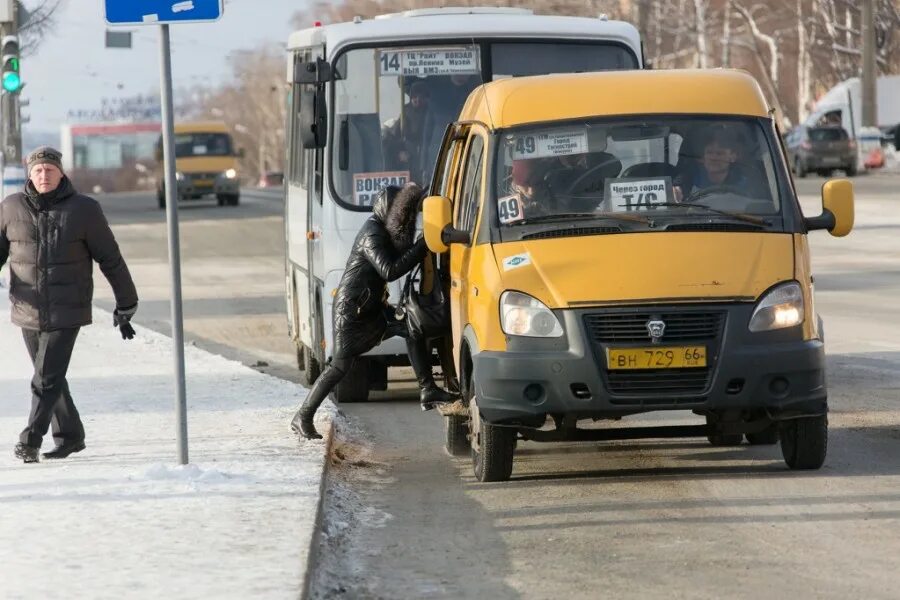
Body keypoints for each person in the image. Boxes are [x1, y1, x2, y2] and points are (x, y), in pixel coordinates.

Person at [0, 146, 138, 463]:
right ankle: (70, 435)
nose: (44, 174)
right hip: (28, 309)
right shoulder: (10, 208)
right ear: (29, 174)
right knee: (51, 377)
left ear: (61, 172)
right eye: (38, 170)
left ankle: (30, 440)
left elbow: (110, 258)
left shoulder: (84, 209)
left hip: (68, 308)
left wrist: (126, 303)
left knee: (44, 378)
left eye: (49, 169)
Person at [290, 183, 452, 440]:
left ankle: (427, 388)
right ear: (387, 211)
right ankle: (303, 416)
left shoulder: (380, 231)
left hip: (369, 309)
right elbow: (389, 270)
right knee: (339, 367)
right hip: (352, 314)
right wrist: (421, 247)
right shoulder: (372, 233)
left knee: (412, 327)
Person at [674, 128, 748, 202]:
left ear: (733, 157)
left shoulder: (745, 185)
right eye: (709, 152)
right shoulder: (689, 178)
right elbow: (675, 190)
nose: (713, 158)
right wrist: (675, 192)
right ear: (703, 157)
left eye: (719, 153)